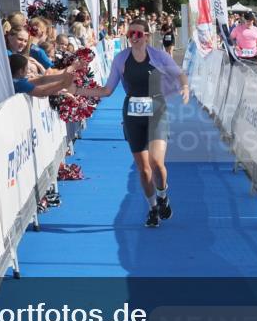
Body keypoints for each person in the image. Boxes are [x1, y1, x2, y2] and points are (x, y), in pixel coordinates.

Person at [76, 19, 190, 228]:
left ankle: (163, 194)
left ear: (147, 36)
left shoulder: (159, 56)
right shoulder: (121, 59)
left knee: (157, 163)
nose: (134, 38)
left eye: (138, 34)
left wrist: (185, 87)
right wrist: (77, 91)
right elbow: (107, 90)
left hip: (157, 111)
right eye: (130, 34)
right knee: (144, 169)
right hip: (133, 114)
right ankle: (153, 208)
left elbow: (180, 73)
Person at [10, 53, 75, 97]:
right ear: (21, 71)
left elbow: (42, 81)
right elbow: (42, 91)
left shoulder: (15, 79)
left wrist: (62, 77)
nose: (28, 71)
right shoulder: (20, 83)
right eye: (27, 68)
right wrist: (63, 84)